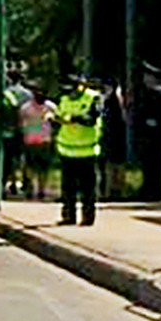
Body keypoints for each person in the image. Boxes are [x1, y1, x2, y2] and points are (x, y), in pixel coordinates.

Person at [56, 75, 102, 226]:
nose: (71, 94)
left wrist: (74, 119)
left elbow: (91, 119)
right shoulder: (64, 99)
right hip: (67, 150)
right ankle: (68, 216)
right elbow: (59, 117)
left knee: (88, 188)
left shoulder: (93, 98)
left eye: (73, 90)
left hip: (87, 151)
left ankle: (88, 218)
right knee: (68, 188)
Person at [134, 62, 161, 202]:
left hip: (156, 136)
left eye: (148, 77)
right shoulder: (147, 93)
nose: (145, 79)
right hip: (146, 135)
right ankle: (147, 190)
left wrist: (154, 122)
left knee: (155, 165)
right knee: (147, 164)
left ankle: (155, 192)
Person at [19, 83, 57, 200]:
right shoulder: (26, 108)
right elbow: (20, 122)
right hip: (31, 141)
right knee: (32, 168)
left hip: (44, 140)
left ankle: (41, 189)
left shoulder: (51, 107)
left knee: (42, 168)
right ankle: (32, 189)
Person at [2, 70, 33, 196]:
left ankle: (5, 184)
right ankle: (22, 184)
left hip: (7, 130)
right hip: (24, 130)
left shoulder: (5, 93)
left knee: (7, 160)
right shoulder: (28, 94)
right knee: (21, 159)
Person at [98, 76, 128, 200]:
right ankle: (109, 190)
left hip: (115, 135)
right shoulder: (105, 99)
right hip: (108, 135)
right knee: (109, 165)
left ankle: (114, 191)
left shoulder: (114, 100)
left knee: (114, 164)